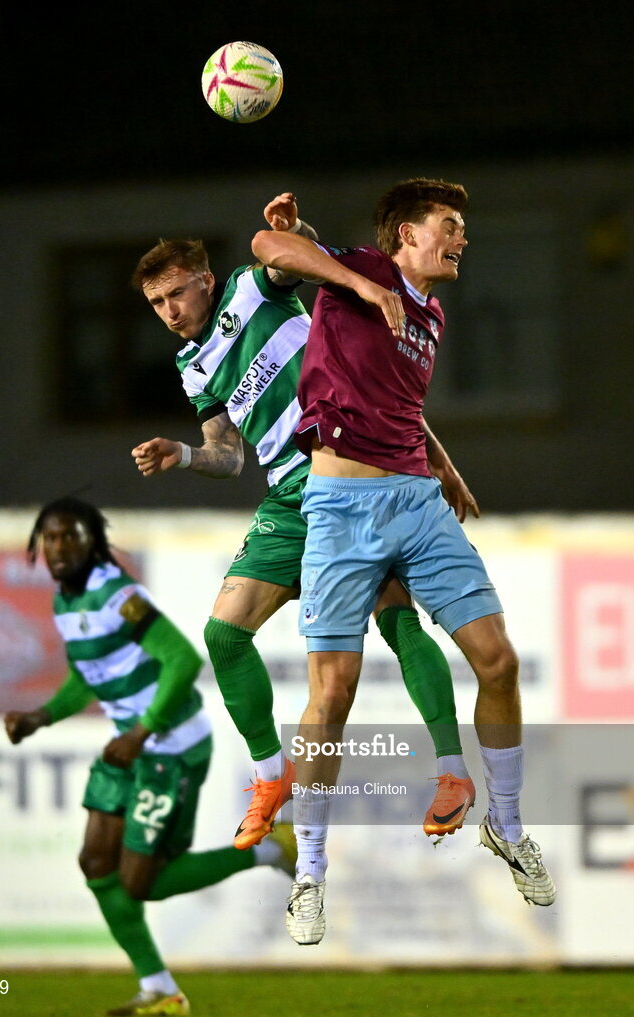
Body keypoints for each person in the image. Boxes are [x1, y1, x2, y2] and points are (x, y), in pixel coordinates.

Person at [252, 178, 556, 946]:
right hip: (339, 508)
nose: (462, 238)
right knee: (334, 692)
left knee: (498, 659)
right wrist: (351, 276)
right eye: (450, 225)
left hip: (416, 501)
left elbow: (401, 404)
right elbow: (267, 248)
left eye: (462, 227)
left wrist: (444, 464)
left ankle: (508, 826)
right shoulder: (363, 274)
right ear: (404, 236)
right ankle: (311, 875)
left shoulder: (430, 312)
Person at [130, 193, 479, 857]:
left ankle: (452, 771)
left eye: (176, 294)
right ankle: (269, 777)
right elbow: (228, 456)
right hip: (289, 498)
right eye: (156, 304)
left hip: (350, 476)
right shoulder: (191, 366)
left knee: (396, 618)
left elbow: (298, 259)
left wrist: (298, 230)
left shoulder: (248, 291)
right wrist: (181, 455)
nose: (169, 313)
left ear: (205, 281)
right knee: (223, 634)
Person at [4, 496, 295, 1017]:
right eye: (49, 537)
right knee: (95, 864)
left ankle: (272, 851)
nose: (58, 546)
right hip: (132, 746)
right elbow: (86, 677)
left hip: (171, 745)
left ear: (93, 542)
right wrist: (40, 717)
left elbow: (183, 660)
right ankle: (158, 987)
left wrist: (141, 733)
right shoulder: (65, 605)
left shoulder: (118, 596)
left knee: (143, 882)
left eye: (71, 535)